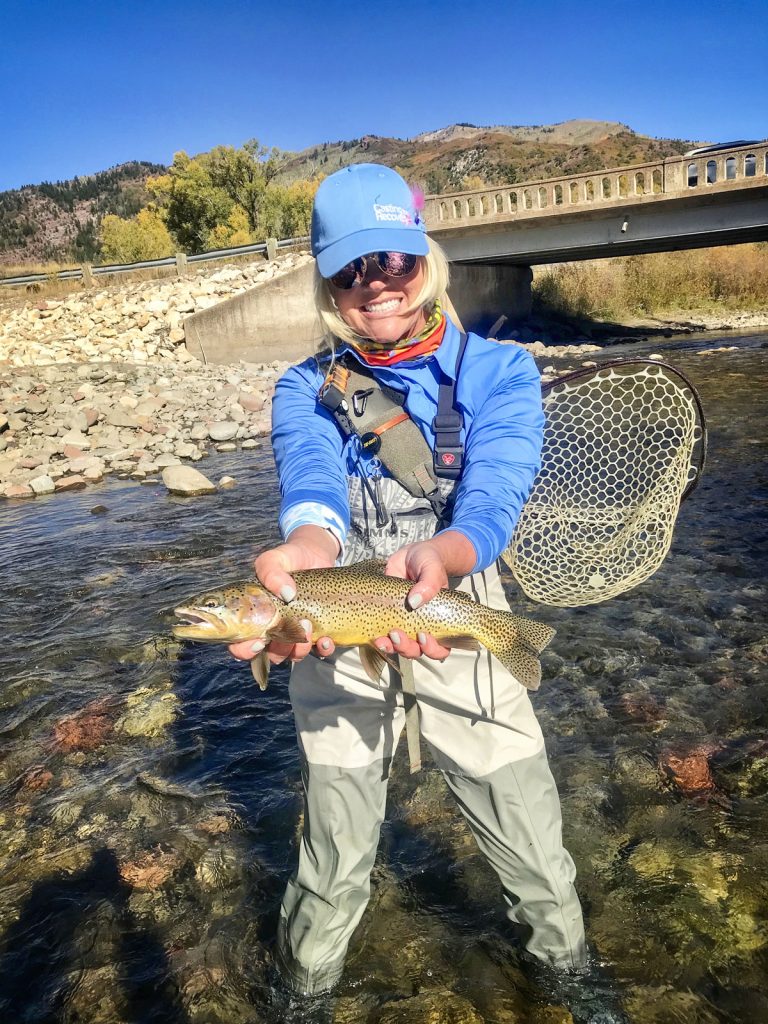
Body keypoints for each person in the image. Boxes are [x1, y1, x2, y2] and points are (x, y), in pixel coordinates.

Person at [229, 164, 588, 1000]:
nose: (375, 284)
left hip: (457, 608)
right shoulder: (305, 388)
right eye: (351, 269)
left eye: (393, 258)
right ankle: (307, 994)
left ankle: (573, 978)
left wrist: (452, 554)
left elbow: (496, 491)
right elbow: (312, 488)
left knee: (531, 842)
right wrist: (309, 548)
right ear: (327, 284)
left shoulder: (499, 371)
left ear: (426, 259)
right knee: (333, 856)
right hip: (336, 619)